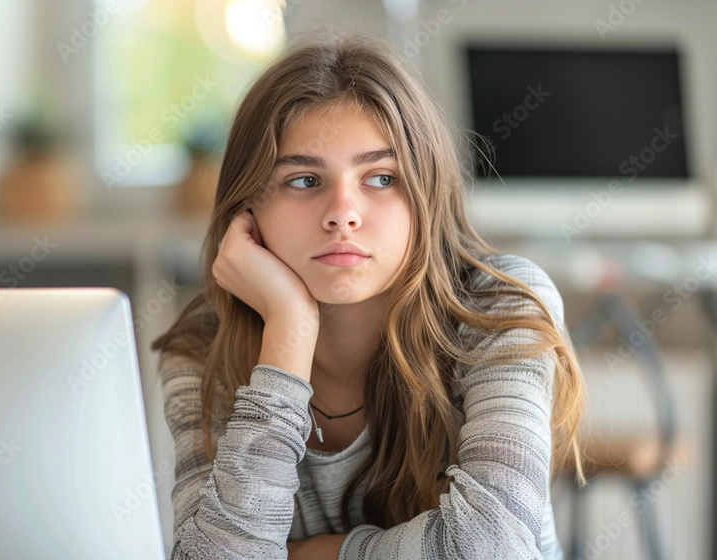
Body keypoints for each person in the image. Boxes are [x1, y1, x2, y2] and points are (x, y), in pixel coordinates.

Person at [149, 32, 586, 560]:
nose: (342, 212)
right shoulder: (202, 347)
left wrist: (319, 554)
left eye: (380, 177)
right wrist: (288, 330)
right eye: (304, 180)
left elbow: (491, 548)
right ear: (248, 209)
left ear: (424, 196)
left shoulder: (498, 305)